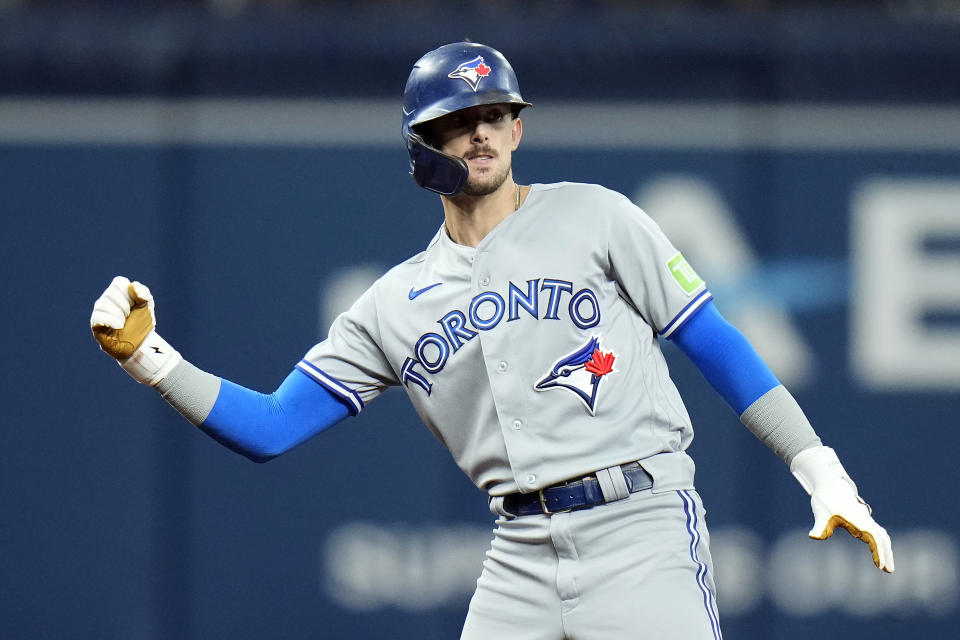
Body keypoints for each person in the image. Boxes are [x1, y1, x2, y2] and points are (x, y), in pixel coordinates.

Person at [90, 42, 893, 639]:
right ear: (422, 146)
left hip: (640, 524)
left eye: (496, 116)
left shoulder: (595, 215)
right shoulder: (390, 304)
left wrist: (816, 466)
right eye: (458, 121)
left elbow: (711, 338)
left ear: (516, 129)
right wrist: (147, 358)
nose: (481, 133)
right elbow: (269, 427)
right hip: (519, 549)